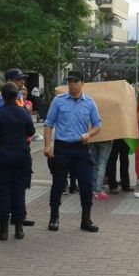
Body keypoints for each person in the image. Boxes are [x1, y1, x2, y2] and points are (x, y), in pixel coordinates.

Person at [44, 70, 102, 232]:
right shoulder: (59, 101)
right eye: (69, 81)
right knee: (58, 184)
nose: (72, 84)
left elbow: (98, 125)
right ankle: (54, 217)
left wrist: (89, 134)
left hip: (81, 148)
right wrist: (47, 146)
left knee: (86, 183)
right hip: (62, 148)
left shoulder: (89, 103)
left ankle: (86, 219)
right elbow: (49, 124)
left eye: (75, 81)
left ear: (82, 83)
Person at [0, 69, 35, 227]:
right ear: (10, 81)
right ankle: (9, 216)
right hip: (8, 147)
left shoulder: (18, 97)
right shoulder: (2, 99)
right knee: (9, 185)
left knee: (8, 185)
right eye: (19, 80)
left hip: (17, 147)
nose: (23, 83)